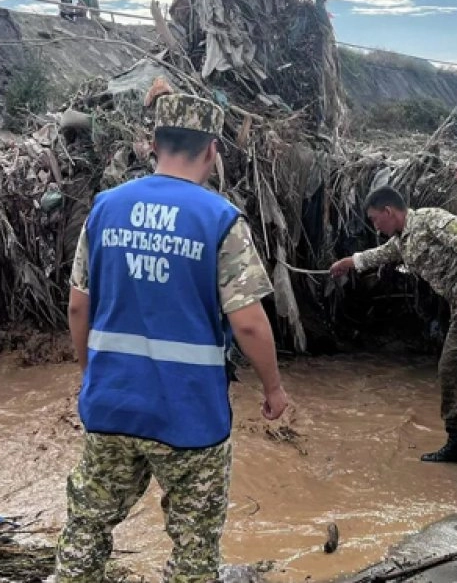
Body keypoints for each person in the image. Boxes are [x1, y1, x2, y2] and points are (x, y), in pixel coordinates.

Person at [54, 91, 290, 583]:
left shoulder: (104, 209)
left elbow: (79, 305)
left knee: (89, 523)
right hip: (190, 416)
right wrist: (273, 389)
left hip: (113, 404)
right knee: (193, 546)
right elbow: (248, 323)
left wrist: (92, 372)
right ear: (212, 151)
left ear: (153, 143)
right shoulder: (219, 219)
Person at [329, 189, 457, 495]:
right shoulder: (403, 239)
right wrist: (348, 263)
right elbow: (381, 254)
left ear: (389, 210)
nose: (374, 225)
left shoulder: (431, 219)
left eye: (374, 218)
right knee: (451, 370)